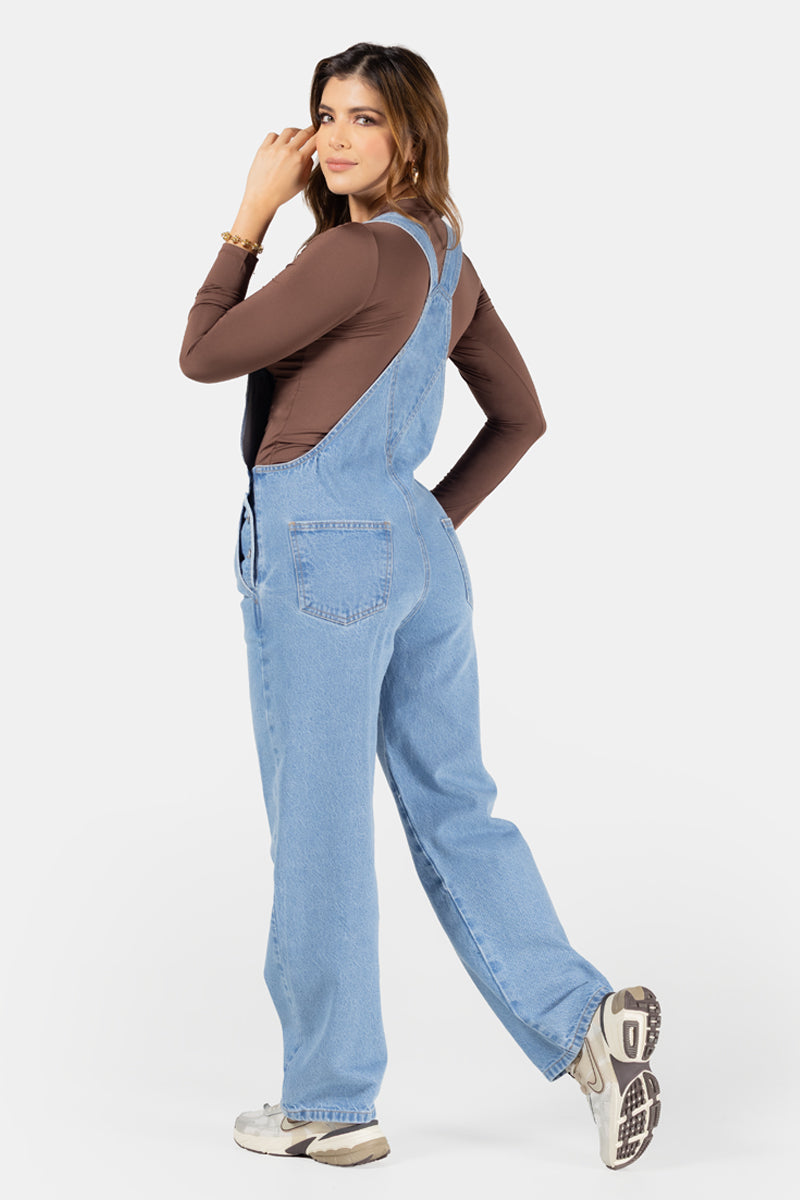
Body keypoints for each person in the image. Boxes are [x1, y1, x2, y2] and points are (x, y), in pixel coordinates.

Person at [179, 42, 661, 1171]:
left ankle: (329, 1099)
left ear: (410, 133)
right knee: (456, 807)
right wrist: (421, 524)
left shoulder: (351, 253)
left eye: (365, 117)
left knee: (319, 826)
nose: (335, 138)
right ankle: (581, 1022)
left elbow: (202, 353)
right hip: (417, 555)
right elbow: (519, 417)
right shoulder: (447, 259)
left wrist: (247, 217)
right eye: (325, 115)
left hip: (320, 554)